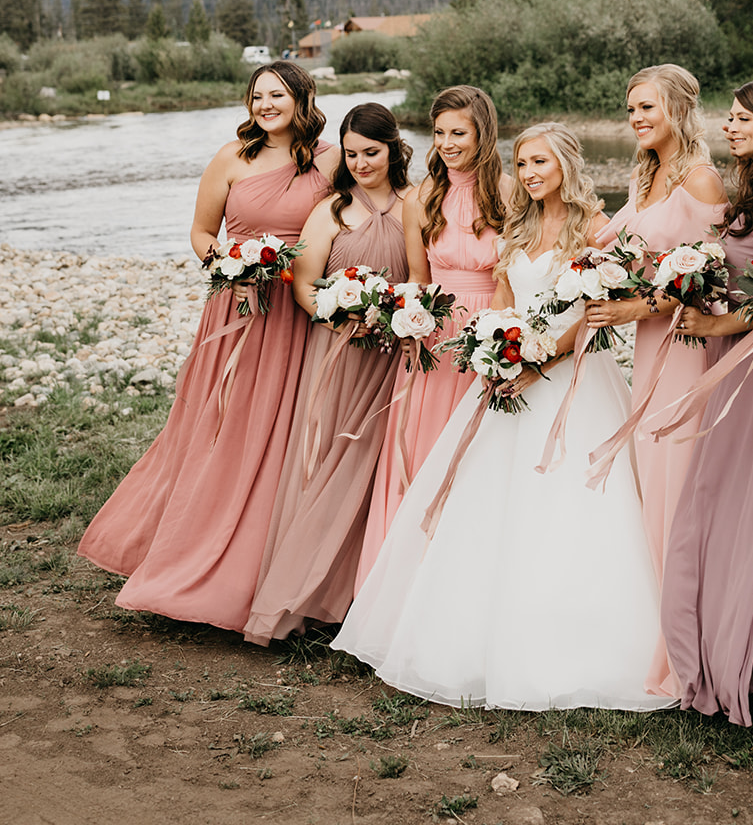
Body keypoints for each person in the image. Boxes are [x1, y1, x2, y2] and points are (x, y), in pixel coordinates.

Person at [332, 124, 672, 711]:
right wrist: (495, 349)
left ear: (565, 163)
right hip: (507, 377)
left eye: (541, 161)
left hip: (573, 383)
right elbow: (501, 303)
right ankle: (473, 637)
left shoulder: (595, 229)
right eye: (523, 162)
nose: (531, 172)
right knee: (488, 504)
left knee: (574, 508)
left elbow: (598, 314)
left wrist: (539, 362)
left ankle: (579, 639)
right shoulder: (516, 230)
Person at [78, 62, 338, 631]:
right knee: (224, 429)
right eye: (257, 95)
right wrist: (228, 264)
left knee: (288, 432)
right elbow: (201, 233)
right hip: (238, 314)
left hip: (298, 315)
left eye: (277, 95)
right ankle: (189, 560)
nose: (265, 105)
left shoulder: (330, 158)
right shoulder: (231, 158)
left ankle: (274, 571)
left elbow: (367, 210)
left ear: (302, 98)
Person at [660, 78, 753, 724]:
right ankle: (726, 653)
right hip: (734, 359)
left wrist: (724, 322)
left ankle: (751, 662)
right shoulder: (752, 187)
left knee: (744, 501)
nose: (729, 124)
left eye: (742, 117)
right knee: (720, 498)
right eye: (727, 116)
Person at [244, 102, 413, 646]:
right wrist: (342, 313)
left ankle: (357, 599)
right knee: (321, 462)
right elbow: (304, 284)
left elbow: (427, 280)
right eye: (354, 153)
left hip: (393, 353)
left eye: (373, 152)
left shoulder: (417, 205)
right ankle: (303, 598)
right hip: (336, 351)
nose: (362, 163)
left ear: (393, 149)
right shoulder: (331, 210)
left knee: (375, 468)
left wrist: (390, 315)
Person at [585, 64, 726, 697]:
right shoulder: (645, 175)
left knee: (676, 472)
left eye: (646, 108)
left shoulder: (699, 177)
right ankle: (658, 618)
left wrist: (630, 308)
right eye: (631, 110)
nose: (637, 118)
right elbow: (615, 242)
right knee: (652, 471)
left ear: (677, 109)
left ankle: (688, 643)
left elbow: (706, 278)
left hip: (686, 345)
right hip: (651, 345)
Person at [354, 85, 509, 585]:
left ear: (482, 132)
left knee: (484, 449)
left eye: (458, 132)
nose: (446, 142)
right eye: (439, 132)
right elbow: (418, 278)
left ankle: (472, 579)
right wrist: (410, 323)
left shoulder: (511, 192)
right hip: (437, 336)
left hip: (493, 328)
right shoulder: (421, 197)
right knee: (426, 447)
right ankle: (408, 581)